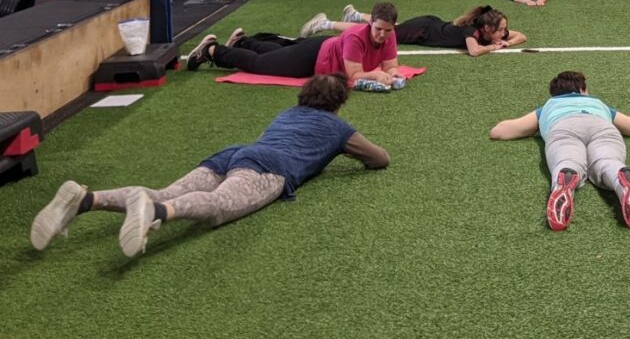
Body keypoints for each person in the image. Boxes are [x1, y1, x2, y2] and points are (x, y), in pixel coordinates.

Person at [30, 74, 390, 258]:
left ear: (304, 96)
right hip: (269, 167)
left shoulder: (287, 113)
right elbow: (380, 159)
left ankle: (86, 199)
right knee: (218, 205)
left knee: (166, 191)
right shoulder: (338, 128)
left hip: (235, 152)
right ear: (338, 104)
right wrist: (339, 149)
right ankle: (156, 212)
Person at [490, 71, 630, 231]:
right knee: (607, 161)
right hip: (601, 125)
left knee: (567, 161)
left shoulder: (549, 106)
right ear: (583, 90)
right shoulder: (598, 104)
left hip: (563, 126)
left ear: (555, 94)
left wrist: (538, 126)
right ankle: (620, 177)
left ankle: (564, 179)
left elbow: (499, 131)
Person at [187, 2, 404, 88]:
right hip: (312, 58)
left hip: (320, 49)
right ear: (370, 22)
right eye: (378, 29)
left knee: (280, 53)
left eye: (387, 30)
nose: (382, 35)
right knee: (260, 64)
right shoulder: (356, 37)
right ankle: (212, 50)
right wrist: (376, 75)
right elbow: (354, 75)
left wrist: (393, 74)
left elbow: (390, 65)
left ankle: (242, 42)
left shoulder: (389, 34)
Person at [300, 4, 526, 57]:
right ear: (487, 28)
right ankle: (325, 24)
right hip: (423, 30)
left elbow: (521, 36)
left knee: (392, 27)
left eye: (504, 30)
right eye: (501, 30)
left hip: (430, 24)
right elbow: (474, 52)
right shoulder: (471, 31)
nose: (504, 32)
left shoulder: (491, 31)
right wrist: (495, 47)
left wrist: (507, 41)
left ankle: (355, 14)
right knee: (377, 32)